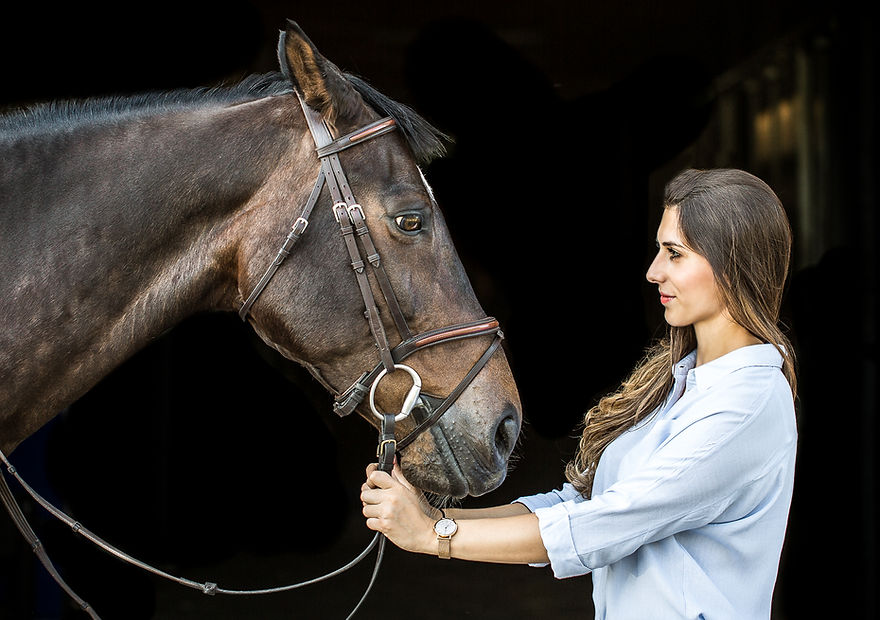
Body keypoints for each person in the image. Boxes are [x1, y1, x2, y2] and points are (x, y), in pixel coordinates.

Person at [361, 168, 798, 619]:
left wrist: (436, 536)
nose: (653, 272)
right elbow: (582, 505)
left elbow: (605, 525)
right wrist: (430, 520)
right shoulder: (680, 385)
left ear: (731, 266)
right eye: (658, 250)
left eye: (675, 254)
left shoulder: (749, 402)